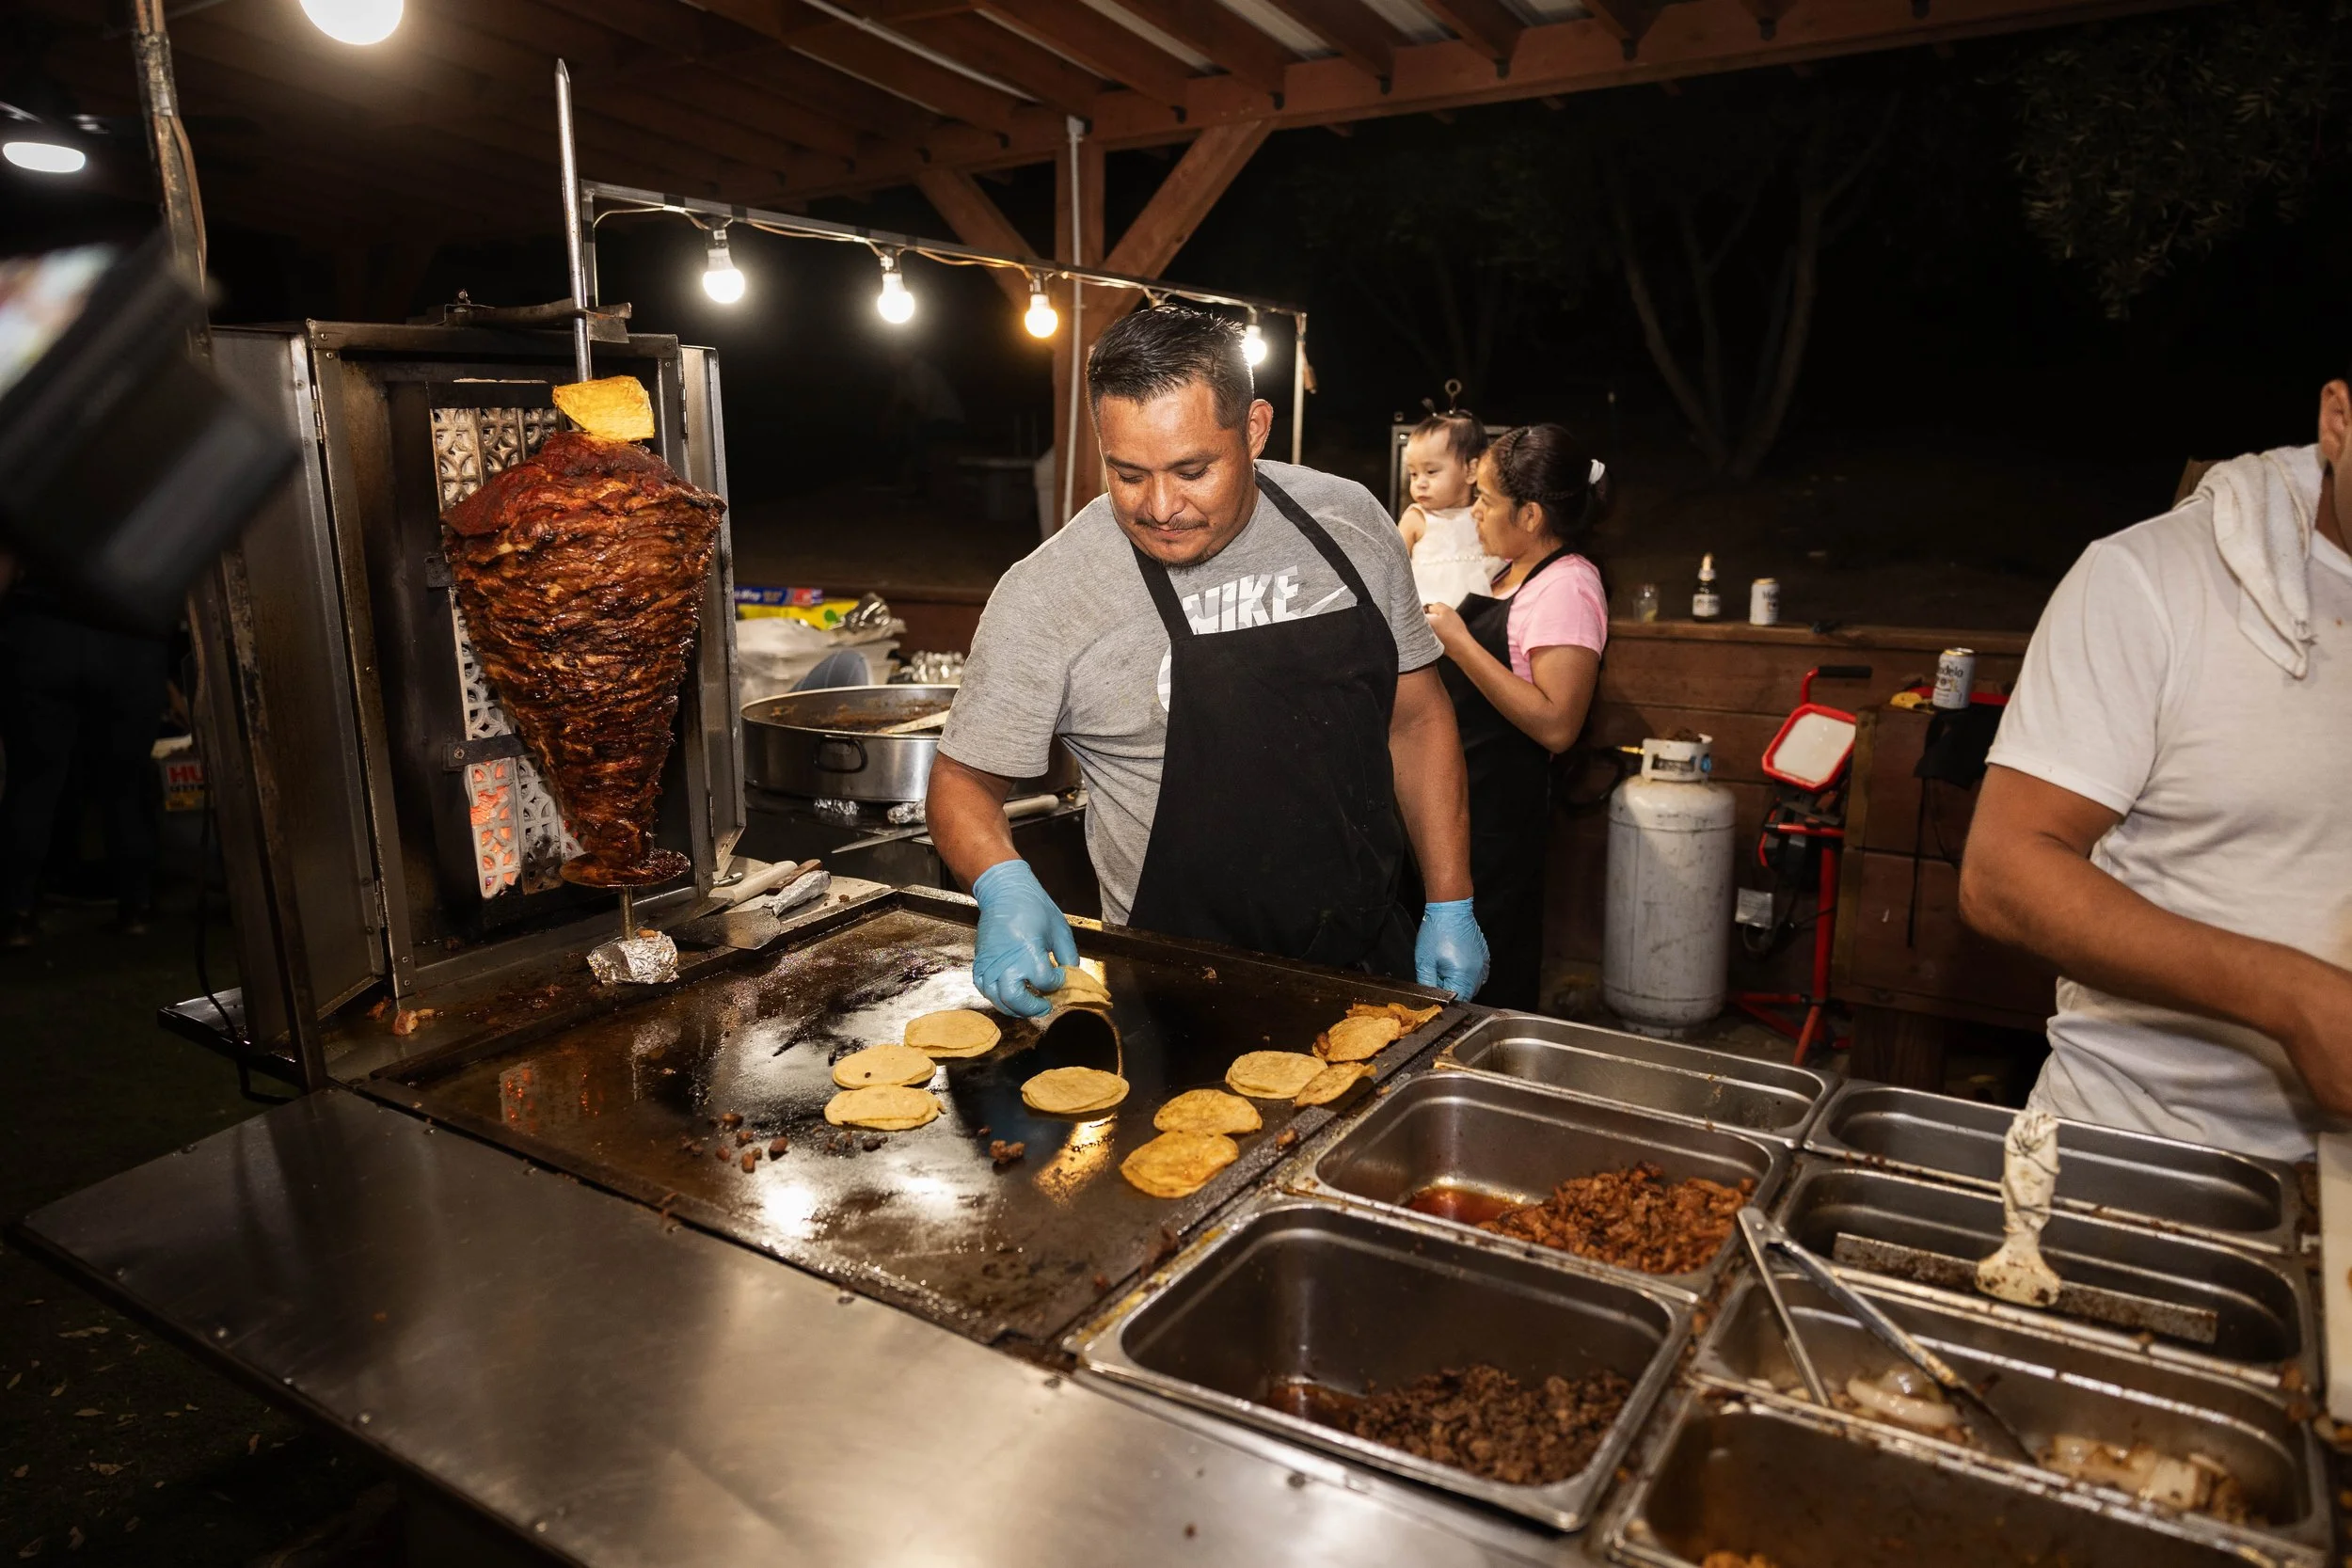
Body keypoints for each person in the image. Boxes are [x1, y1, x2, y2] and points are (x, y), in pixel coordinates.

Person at [929, 306, 1488, 1016]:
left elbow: (1416, 719)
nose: (1161, 506)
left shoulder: (1350, 522)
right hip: (1173, 992)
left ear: (1254, 429)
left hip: (1369, 963)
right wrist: (1000, 877)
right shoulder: (1048, 592)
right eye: (1127, 473)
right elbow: (960, 781)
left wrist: (1450, 899)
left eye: (1192, 470)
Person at [1959, 366, 2352, 1160]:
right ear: (2339, 420)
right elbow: (2002, 874)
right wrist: (2292, 995)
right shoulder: (2152, 578)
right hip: (2139, 1155)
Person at [1422, 425, 1610, 1011]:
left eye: (1486, 500)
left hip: (1500, 822)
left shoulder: (1569, 587)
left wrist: (1458, 640)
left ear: (1530, 515)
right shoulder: (1506, 573)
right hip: (1457, 805)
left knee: (1489, 982)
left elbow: (1558, 724)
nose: (1474, 512)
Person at [0, 564, 173, 946]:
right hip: (131, 634)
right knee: (125, 780)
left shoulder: (33, 500)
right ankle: (136, 907)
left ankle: (17, 914)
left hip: (43, 632)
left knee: (33, 780)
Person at [1397, 408, 1502, 608]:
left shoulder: (1484, 514)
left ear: (1471, 470)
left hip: (1477, 620)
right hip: (1426, 621)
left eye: (1431, 471)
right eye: (1413, 474)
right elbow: (1390, 566)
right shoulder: (1417, 518)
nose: (1420, 483)